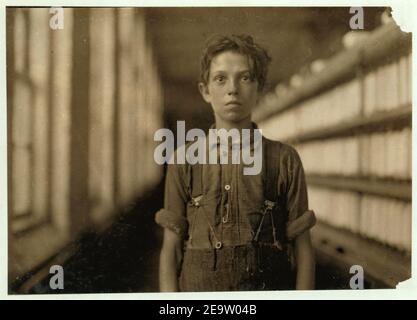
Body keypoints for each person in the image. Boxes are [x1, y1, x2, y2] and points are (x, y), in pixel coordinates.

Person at [156, 34, 315, 291]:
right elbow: (171, 250)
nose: (233, 89)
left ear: (259, 87)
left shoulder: (284, 160)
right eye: (220, 79)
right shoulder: (183, 159)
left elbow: (303, 250)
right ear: (205, 91)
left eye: (245, 77)